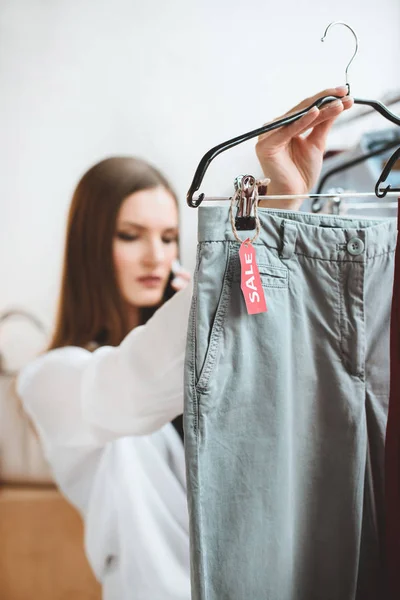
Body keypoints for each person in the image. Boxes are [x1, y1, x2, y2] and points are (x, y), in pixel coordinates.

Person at [17, 88, 353, 599]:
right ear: (90, 246)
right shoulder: (50, 379)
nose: (156, 255)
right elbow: (129, 388)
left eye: (169, 236)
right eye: (130, 235)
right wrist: (208, 299)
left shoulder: (194, 342)